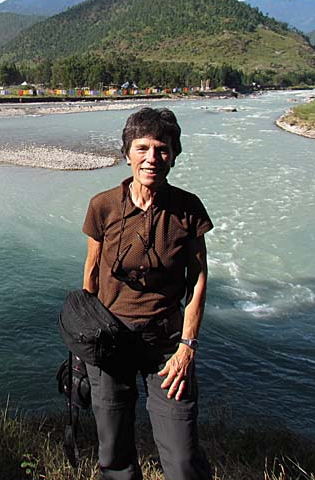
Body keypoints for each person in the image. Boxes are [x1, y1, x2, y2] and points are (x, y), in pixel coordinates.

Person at [81, 107, 213, 480]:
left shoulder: (188, 209)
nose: (152, 158)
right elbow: (90, 273)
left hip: (166, 344)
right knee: (114, 454)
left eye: (162, 148)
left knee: (183, 458)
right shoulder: (102, 206)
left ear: (174, 155)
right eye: (142, 148)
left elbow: (199, 278)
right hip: (110, 341)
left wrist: (188, 346)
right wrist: (83, 342)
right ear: (127, 154)